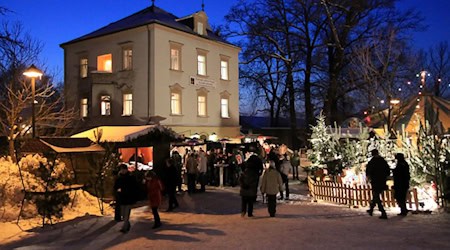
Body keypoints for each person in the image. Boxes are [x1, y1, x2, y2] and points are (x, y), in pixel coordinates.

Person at [114, 164, 139, 233]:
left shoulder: (130, 177)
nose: (122, 171)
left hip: (128, 198)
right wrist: (118, 190)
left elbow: (135, 187)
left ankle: (125, 228)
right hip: (122, 198)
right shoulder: (119, 178)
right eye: (121, 169)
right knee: (122, 214)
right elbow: (115, 186)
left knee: (126, 214)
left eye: (123, 169)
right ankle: (127, 224)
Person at [365, 149, 391, 219]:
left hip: (375, 180)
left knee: (376, 195)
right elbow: (387, 170)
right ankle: (371, 209)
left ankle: (382, 211)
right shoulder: (382, 161)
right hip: (382, 180)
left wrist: (368, 177)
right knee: (375, 195)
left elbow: (368, 171)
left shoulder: (372, 162)